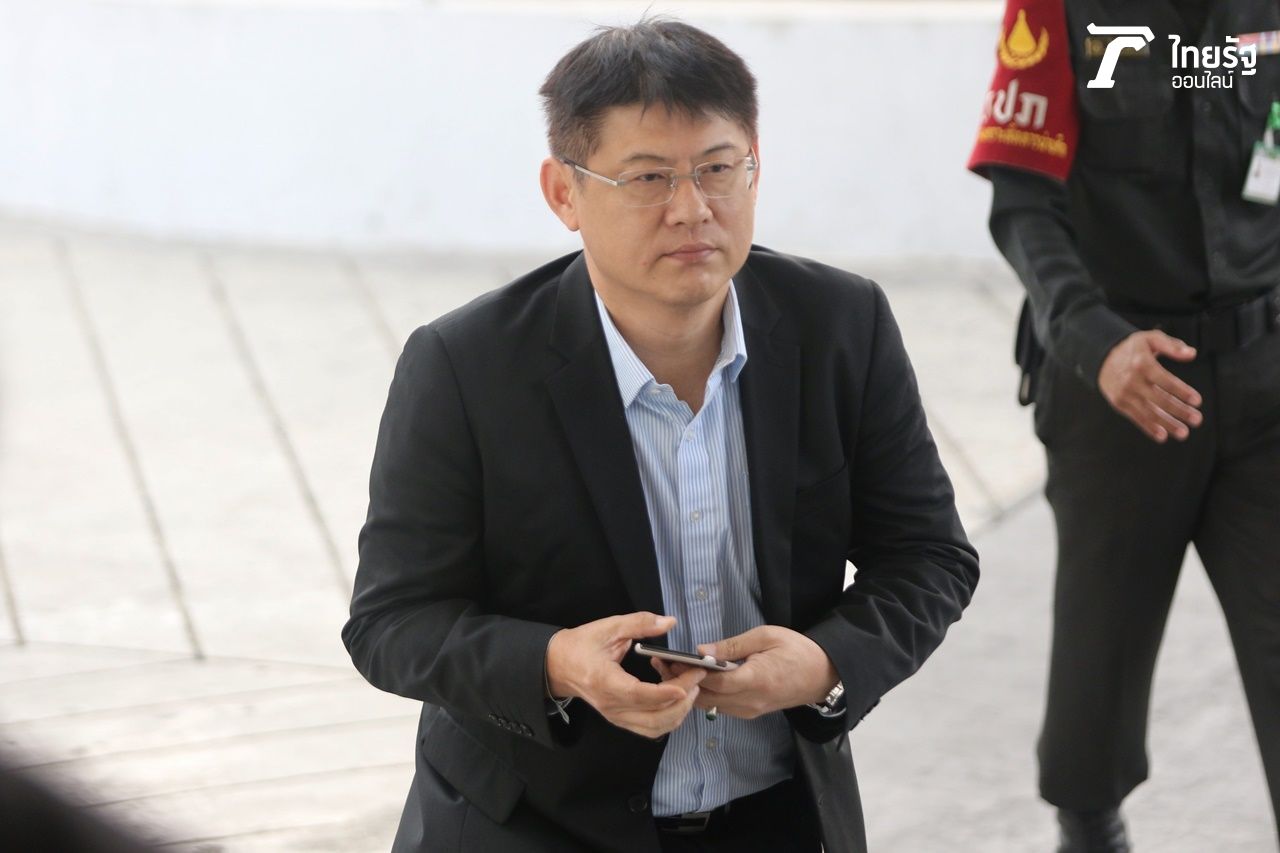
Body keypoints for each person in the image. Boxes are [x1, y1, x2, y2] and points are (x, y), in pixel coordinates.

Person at [344, 18, 979, 853]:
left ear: (755, 164)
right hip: (533, 823)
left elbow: (929, 555)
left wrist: (826, 664)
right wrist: (555, 662)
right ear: (563, 193)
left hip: (776, 818)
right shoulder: (465, 366)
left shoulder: (841, 326)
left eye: (718, 168)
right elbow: (392, 621)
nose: (693, 208)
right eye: (648, 177)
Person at [970, 1, 1280, 850]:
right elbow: (1022, 202)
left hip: (1265, 376)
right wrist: (1093, 339)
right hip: (1118, 380)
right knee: (1099, 663)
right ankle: (1090, 824)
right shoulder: (1062, 9)